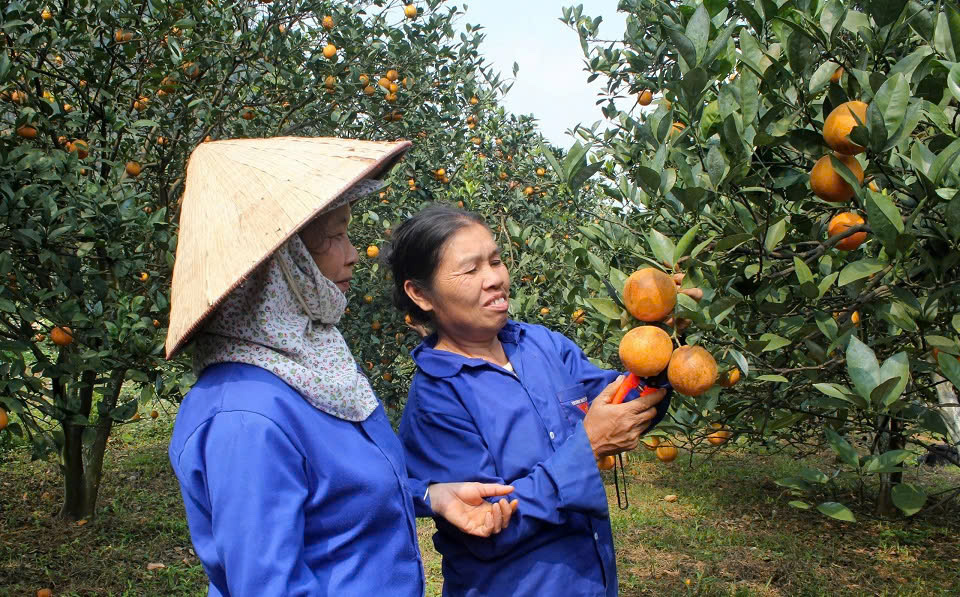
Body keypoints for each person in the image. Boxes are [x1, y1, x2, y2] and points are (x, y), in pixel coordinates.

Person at [164, 138, 517, 597]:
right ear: (281, 264)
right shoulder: (246, 417)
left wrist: (429, 495)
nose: (353, 253)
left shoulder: (311, 367)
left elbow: (334, 496)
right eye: (334, 236)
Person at [386, 204, 673, 597]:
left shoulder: (541, 344)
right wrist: (586, 449)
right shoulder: (438, 400)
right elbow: (487, 527)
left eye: (496, 261)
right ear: (420, 294)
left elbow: (621, 403)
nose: (494, 280)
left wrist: (660, 346)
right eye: (471, 270)